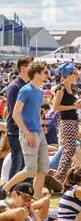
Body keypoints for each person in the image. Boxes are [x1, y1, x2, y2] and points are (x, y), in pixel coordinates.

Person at [7, 61, 50, 197]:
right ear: (36, 74)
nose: (48, 74)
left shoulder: (40, 92)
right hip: (28, 133)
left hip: (39, 133)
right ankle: (5, 188)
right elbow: (15, 114)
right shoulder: (25, 90)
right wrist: (27, 134)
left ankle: (36, 200)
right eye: (45, 72)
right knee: (31, 170)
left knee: (42, 170)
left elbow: (34, 112)